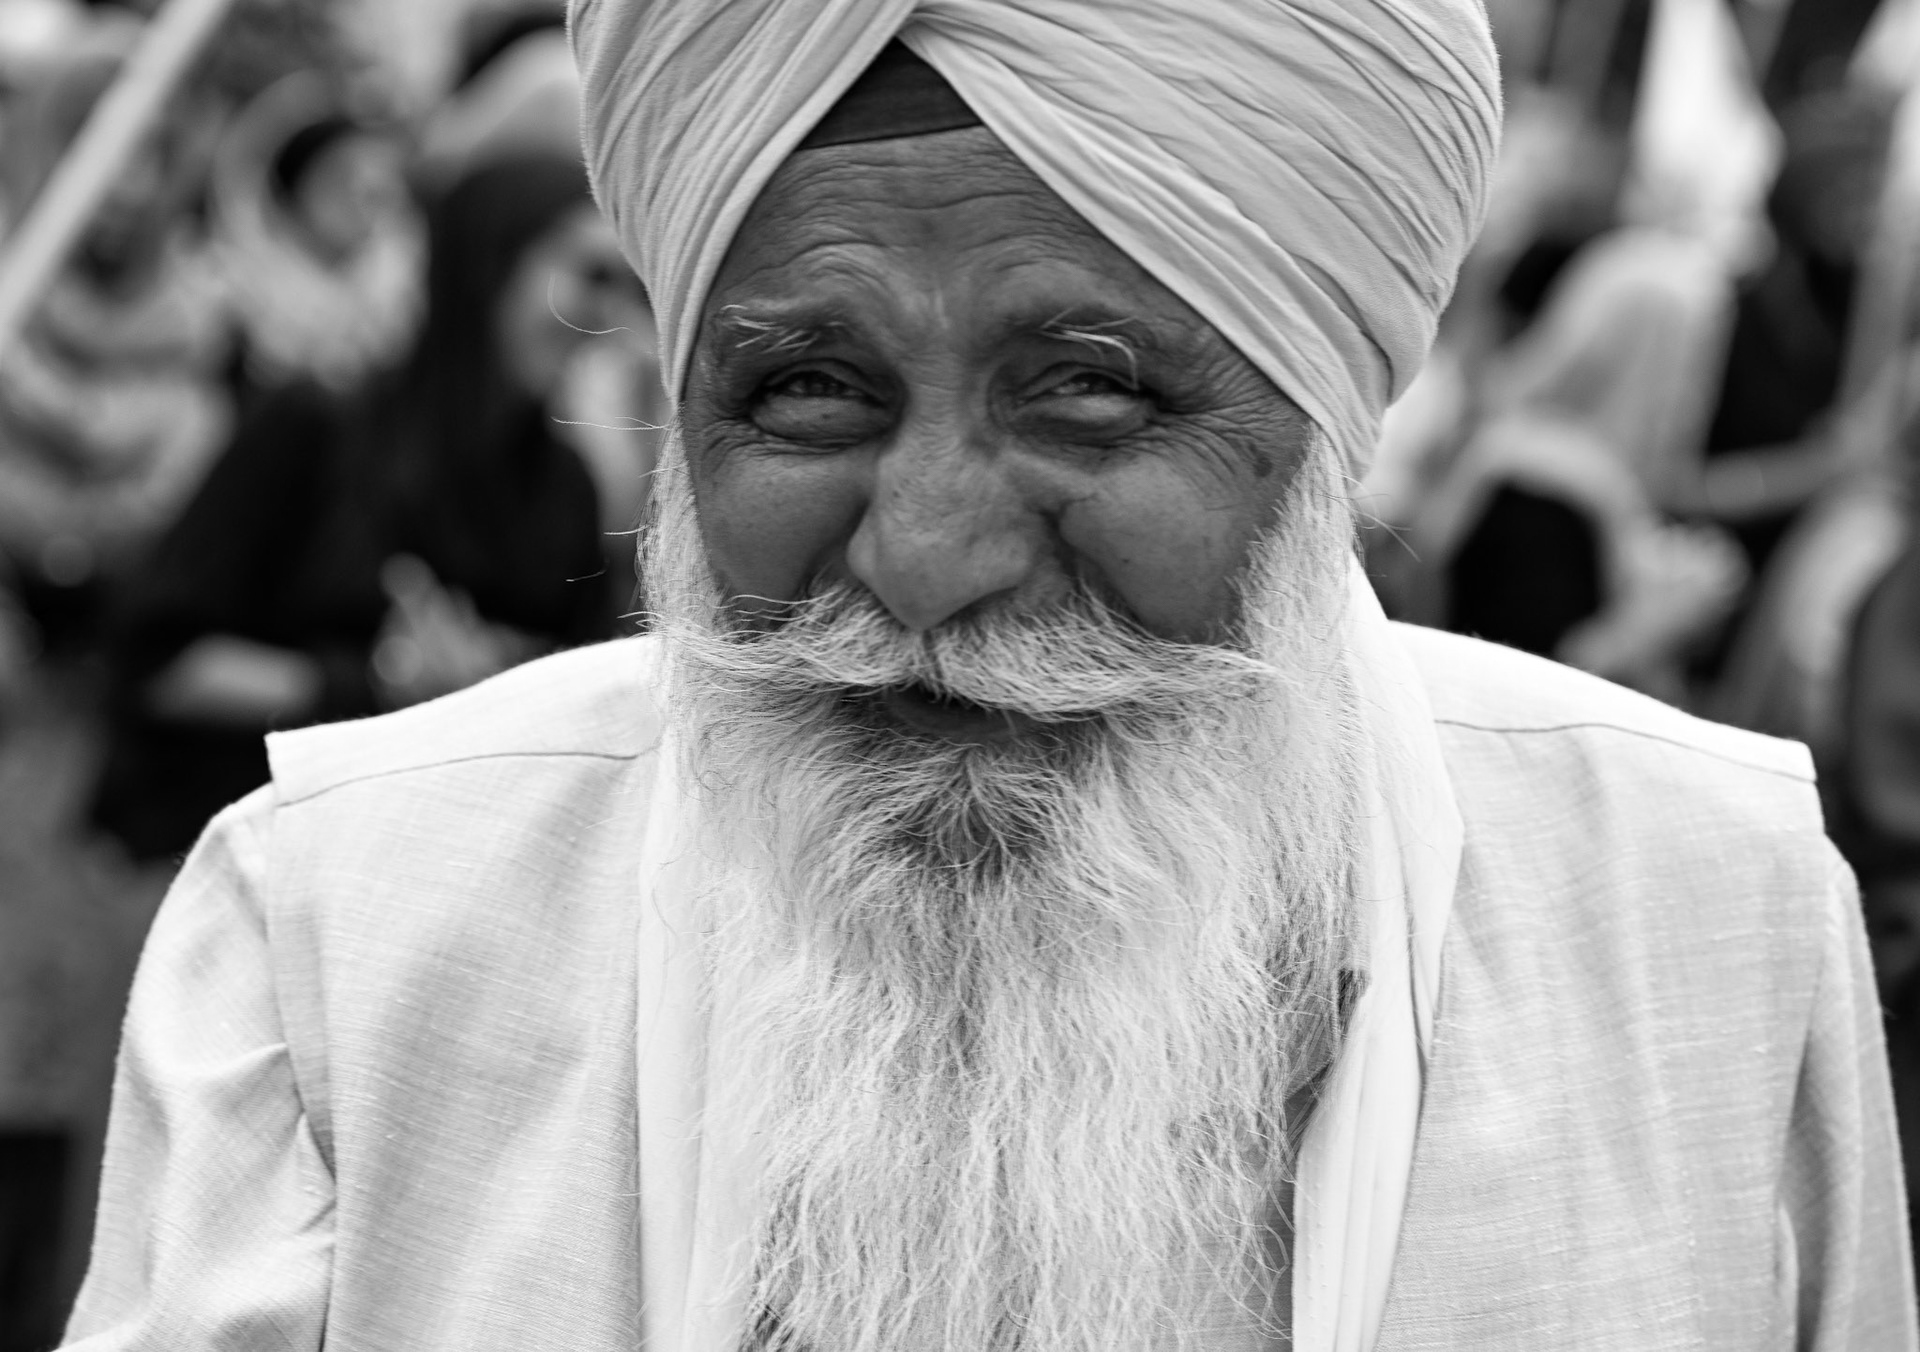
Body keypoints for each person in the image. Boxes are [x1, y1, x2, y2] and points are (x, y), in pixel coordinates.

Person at [61, 5, 1914, 1350]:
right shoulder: (333, 940)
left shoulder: (1708, 915)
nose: (928, 557)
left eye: (1089, 386)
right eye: (806, 391)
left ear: (1326, 432)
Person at [87, 152, 633, 861]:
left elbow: (583, 706)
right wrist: (369, 683)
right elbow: (158, 664)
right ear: (487, 261)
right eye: (591, 275)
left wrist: (489, 689)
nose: (609, 316)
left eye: (628, 287)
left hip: (445, 858)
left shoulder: (566, 486)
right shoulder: (318, 423)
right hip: (250, 836)